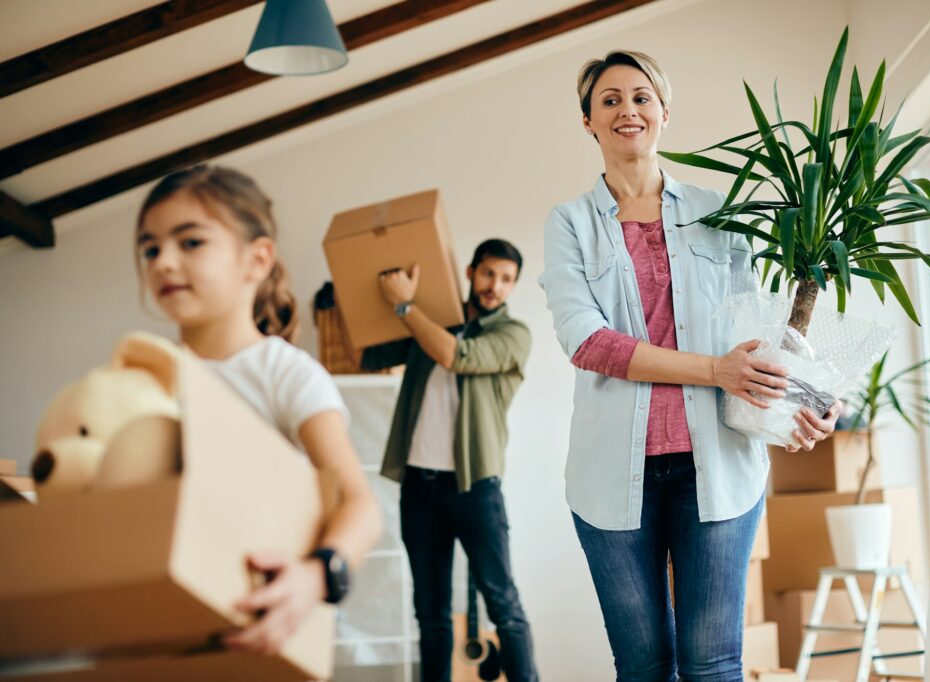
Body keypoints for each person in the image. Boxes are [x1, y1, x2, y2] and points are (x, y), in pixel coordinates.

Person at [538, 51, 839, 681]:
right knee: (644, 666)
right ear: (588, 121)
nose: (628, 109)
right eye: (610, 99)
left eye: (642, 97)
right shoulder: (569, 224)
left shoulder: (720, 211)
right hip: (610, 478)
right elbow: (588, 342)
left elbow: (756, 332)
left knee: (713, 664)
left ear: (664, 112)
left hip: (719, 467)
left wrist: (809, 400)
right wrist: (715, 371)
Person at [135, 164, 382, 655]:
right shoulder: (145, 376)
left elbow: (361, 506)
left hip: (261, 623)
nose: (162, 261)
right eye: (150, 248)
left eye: (189, 242)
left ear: (257, 259)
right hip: (161, 626)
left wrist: (315, 577)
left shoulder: (286, 374)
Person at [361, 239, 538, 682]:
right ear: (470, 272)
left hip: (475, 488)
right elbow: (369, 352)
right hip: (419, 489)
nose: (494, 286)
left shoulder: (512, 335)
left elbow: (456, 355)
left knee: (504, 607)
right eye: (488, 274)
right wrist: (375, 292)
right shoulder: (429, 325)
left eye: (506, 279)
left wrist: (406, 307)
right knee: (431, 612)